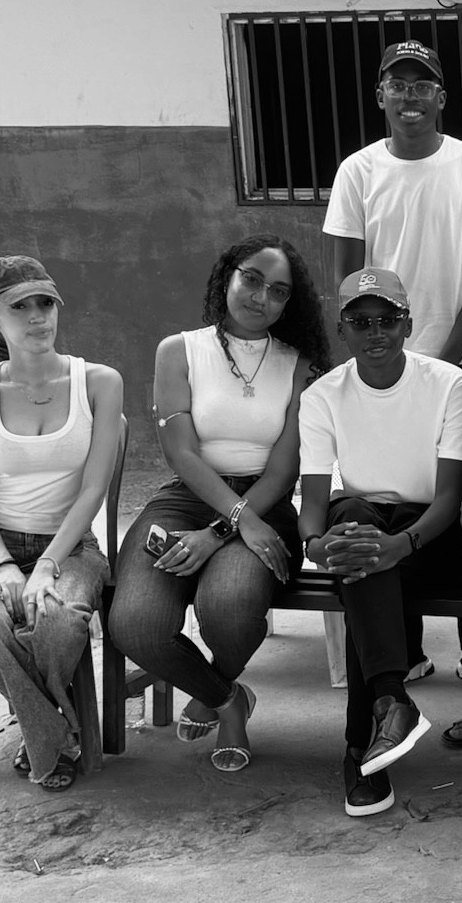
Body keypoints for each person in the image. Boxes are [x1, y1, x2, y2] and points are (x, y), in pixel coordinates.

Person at [322, 38, 462, 694]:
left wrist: (438, 367)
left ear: (441, 96)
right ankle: (402, 648)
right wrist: (387, 361)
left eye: (421, 84)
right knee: (385, 498)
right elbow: (346, 280)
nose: (409, 96)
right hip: (381, 365)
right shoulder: (358, 171)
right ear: (380, 95)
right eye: (396, 84)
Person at [109, 236, 330, 772]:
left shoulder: (299, 365)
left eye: (278, 291)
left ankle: (213, 692)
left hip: (265, 503)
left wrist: (224, 530)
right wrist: (231, 519)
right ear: (227, 276)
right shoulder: (179, 350)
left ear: (289, 304)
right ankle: (230, 700)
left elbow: (283, 470)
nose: (261, 297)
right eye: (251, 279)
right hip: (186, 499)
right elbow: (180, 452)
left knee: (229, 609)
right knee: (135, 623)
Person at [298, 269, 462, 817]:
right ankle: (389, 703)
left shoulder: (450, 384)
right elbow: (314, 503)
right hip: (362, 528)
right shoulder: (322, 395)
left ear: (408, 324)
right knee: (352, 525)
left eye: (387, 319)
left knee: (365, 565)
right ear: (342, 330)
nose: (375, 332)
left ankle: (362, 745)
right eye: (360, 321)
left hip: (431, 532)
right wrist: (316, 546)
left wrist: (401, 544)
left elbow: (448, 500)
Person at [0, 256, 124, 791]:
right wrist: (5, 566)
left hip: (71, 546)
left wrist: (47, 565)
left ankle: (40, 732)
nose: (36, 316)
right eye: (19, 307)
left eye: (45, 303)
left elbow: (93, 489)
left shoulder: (99, 382)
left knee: (58, 621)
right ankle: (56, 733)